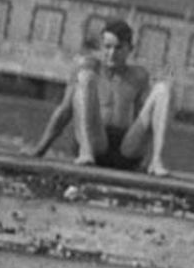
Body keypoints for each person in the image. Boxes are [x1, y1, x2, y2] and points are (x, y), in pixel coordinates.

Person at [69, 18, 174, 174]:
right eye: (107, 47)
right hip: (95, 142)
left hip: (126, 150)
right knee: (85, 77)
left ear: (129, 49)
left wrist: (169, 95)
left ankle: (156, 161)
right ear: (101, 47)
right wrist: (39, 150)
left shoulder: (139, 75)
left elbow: (147, 119)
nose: (112, 53)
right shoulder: (91, 68)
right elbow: (64, 111)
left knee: (162, 89)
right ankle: (86, 152)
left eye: (118, 48)